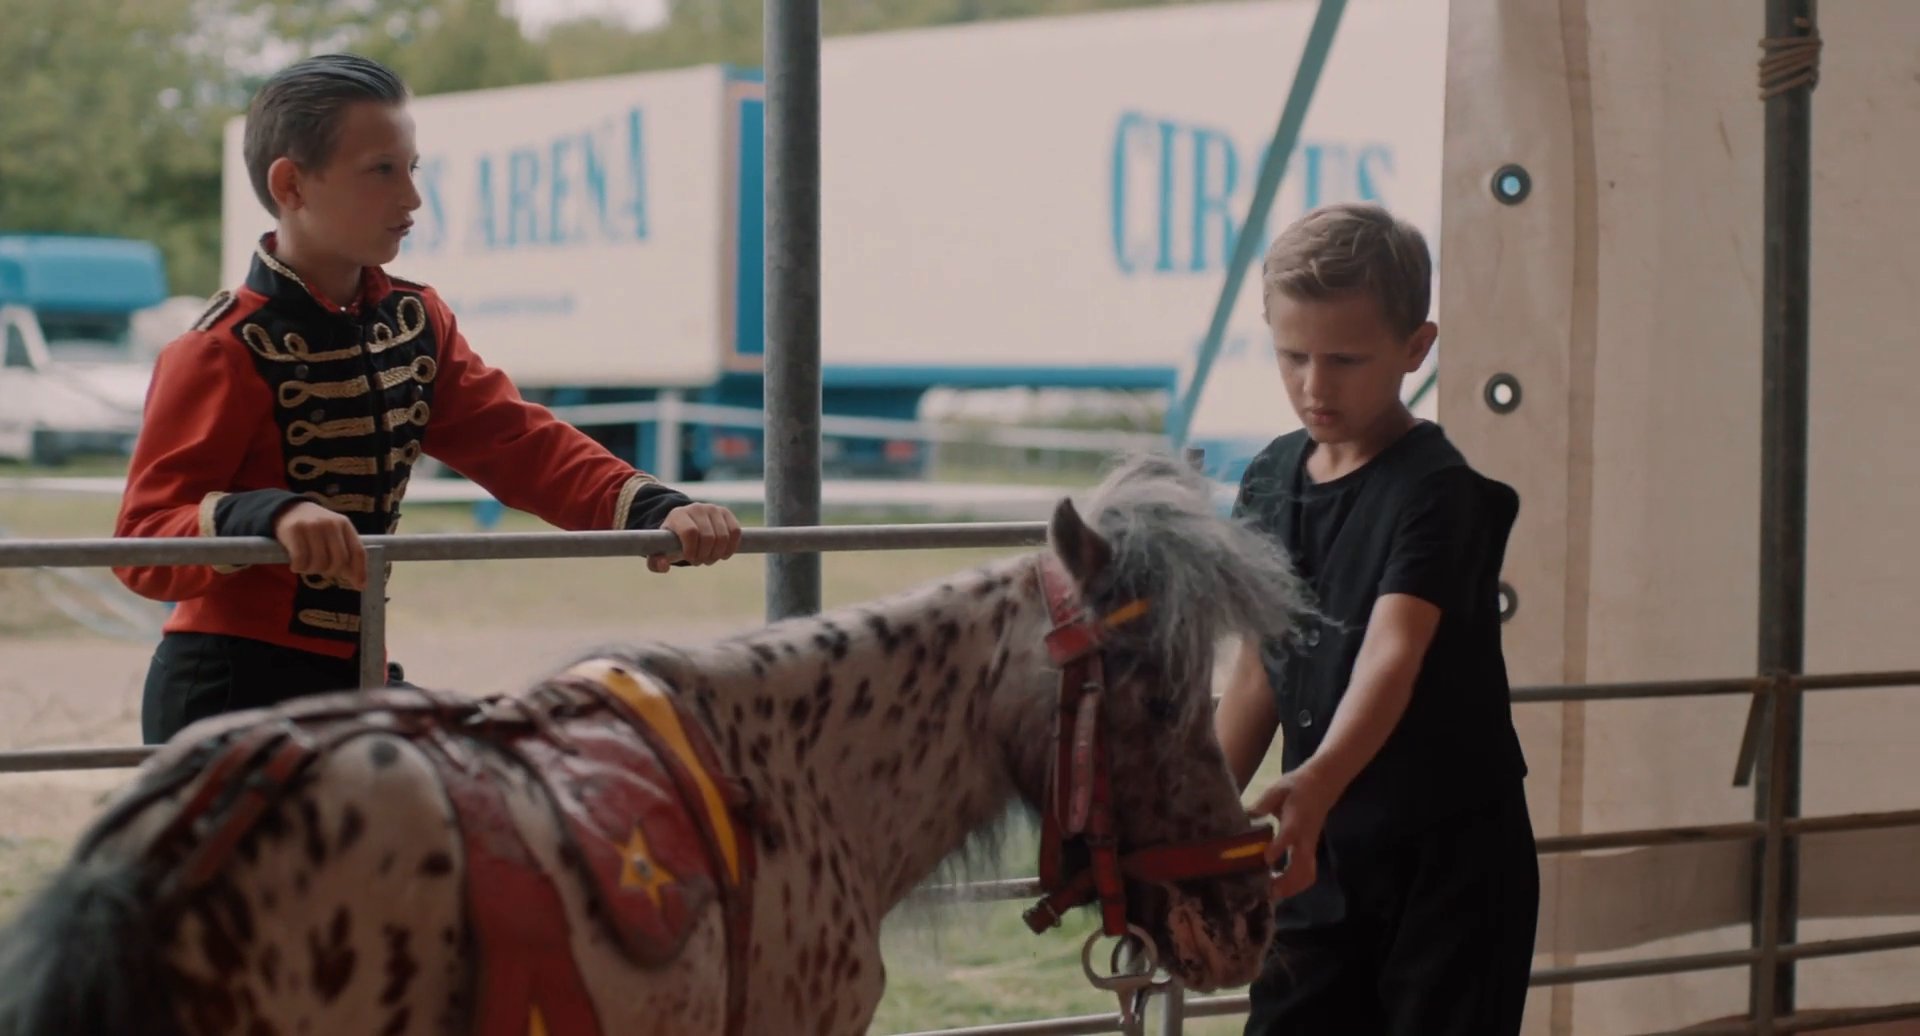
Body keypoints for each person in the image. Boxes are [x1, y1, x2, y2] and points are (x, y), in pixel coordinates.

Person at [114, 53, 743, 745]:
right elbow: (142, 543)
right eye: (382, 171)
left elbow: (518, 444)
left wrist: (655, 506)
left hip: (358, 673)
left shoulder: (416, 322)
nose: (412, 199)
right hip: (228, 693)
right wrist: (269, 514)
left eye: (412, 169)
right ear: (291, 184)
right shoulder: (219, 348)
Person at [1217, 202, 1539, 1034]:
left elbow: (1392, 654)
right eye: (1293, 356)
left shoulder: (1436, 490)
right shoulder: (1268, 478)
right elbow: (1260, 664)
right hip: (1314, 847)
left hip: (1448, 866)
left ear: (1415, 348)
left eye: (1346, 360)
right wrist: (1202, 808)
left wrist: (1318, 780)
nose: (1314, 386)